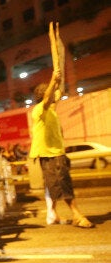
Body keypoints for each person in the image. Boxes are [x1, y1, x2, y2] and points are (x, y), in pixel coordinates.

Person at [29, 70, 94, 228]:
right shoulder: (40, 109)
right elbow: (48, 98)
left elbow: (57, 94)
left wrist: (57, 81)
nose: (54, 96)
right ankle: (76, 214)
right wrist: (53, 80)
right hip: (50, 154)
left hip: (56, 153)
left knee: (54, 185)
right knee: (63, 184)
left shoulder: (50, 110)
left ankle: (52, 215)